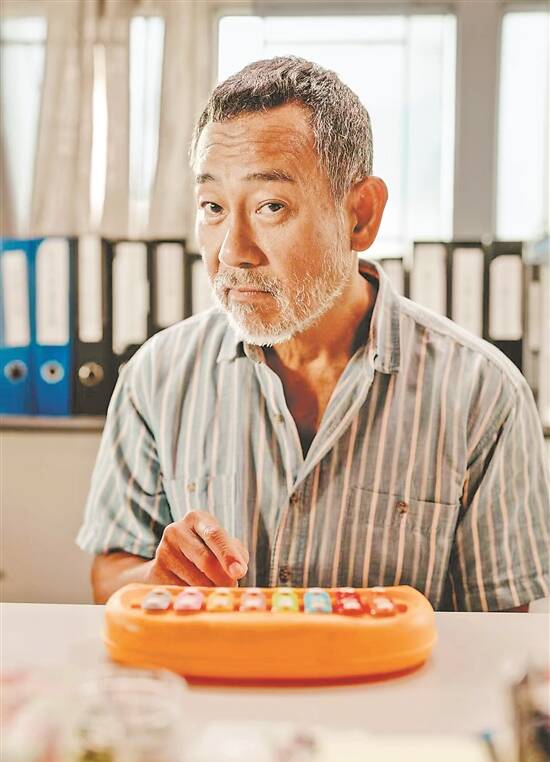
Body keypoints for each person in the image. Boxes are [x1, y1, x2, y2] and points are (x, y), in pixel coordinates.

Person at [78, 56, 549, 611]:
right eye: (213, 207)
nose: (232, 252)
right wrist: (158, 576)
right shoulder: (156, 374)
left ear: (360, 215)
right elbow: (109, 574)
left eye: (271, 206)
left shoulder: (484, 394)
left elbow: (497, 631)